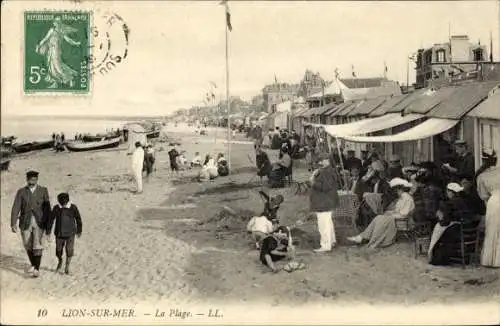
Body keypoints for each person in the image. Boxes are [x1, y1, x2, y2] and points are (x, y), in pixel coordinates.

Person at [348, 178, 415, 248]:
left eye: (397, 190)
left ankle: (370, 239)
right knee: (378, 217)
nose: (396, 192)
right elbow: (397, 211)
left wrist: (391, 215)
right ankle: (362, 237)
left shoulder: (407, 198)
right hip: (396, 217)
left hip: (402, 220)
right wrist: (389, 212)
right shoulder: (402, 198)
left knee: (380, 219)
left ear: (400, 190)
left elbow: (404, 214)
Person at [11, 170, 51, 278]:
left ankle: (36, 269)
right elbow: (16, 207)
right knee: (27, 244)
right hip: (25, 221)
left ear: (37, 179)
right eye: (30, 179)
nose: (32, 181)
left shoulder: (43, 190)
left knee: (37, 244)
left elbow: (47, 208)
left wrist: (48, 223)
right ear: (27, 179)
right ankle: (33, 264)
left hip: (39, 221)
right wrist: (13, 223)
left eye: (34, 179)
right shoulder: (21, 191)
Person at [428, 183, 478, 266]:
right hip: (467, 229)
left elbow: (445, 222)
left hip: (457, 231)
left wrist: (440, 217)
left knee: (439, 233)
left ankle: (440, 259)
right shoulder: (463, 201)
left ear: (450, 192)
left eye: (447, 191)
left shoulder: (449, 203)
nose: (447, 193)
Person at [309, 152, 340, 253]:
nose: (320, 163)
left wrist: (313, 181)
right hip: (327, 201)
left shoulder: (326, 172)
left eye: (322, 161)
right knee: (328, 222)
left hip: (324, 202)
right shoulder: (329, 170)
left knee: (323, 224)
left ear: (328, 160)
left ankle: (325, 245)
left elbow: (325, 187)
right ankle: (332, 241)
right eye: (319, 161)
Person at [46, 193, 82, 274]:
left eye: (65, 203)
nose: (64, 205)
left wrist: (79, 230)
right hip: (59, 234)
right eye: (63, 203)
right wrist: (48, 232)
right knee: (58, 251)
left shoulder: (73, 207)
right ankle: (60, 260)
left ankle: (67, 266)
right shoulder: (56, 208)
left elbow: (78, 219)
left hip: (71, 233)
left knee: (69, 250)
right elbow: (51, 220)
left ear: (68, 201)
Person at [476, 152, 500, 268]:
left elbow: (483, 195)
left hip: (494, 201)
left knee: (493, 228)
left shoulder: (482, 176)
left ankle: (492, 260)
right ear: (495, 160)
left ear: (483, 160)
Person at [356, 164, 396, 229]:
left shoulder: (384, 184)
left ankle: (370, 226)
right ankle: (366, 226)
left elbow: (387, 197)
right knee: (364, 207)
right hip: (374, 203)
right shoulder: (372, 184)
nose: (371, 182)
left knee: (368, 209)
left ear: (376, 178)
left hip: (383, 204)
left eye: (372, 179)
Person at [412, 162, 445, 227]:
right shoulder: (427, 183)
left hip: (430, 212)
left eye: (424, 171)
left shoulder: (433, 184)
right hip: (431, 211)